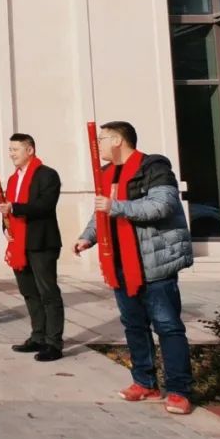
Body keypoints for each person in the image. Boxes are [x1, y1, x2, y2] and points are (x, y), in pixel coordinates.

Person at [75, 121, 195, 414]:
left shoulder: (154, 168)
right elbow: (100, 212)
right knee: (133, 325)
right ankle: (145, 382)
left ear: (118, 140)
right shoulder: (107, 173)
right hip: (120, 264)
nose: (98, 144)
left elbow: (161, 206)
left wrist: (115, 207)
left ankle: (179, 390)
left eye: (102, 138)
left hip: (154, 263)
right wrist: (87, 237)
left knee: (167, 326)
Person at [0, 133, 64, 362]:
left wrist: (14, 208)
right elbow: (6, 208)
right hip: (19, 242)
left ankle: (54, 342)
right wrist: (5, 227)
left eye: (15, 149)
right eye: (10, 150)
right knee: (29, 291)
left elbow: (45, 205)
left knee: (48, 293)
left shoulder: (47, 175)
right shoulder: (13, 179)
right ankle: (38, 336)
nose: (11, 154)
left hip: (41, 242)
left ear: (30, 150)